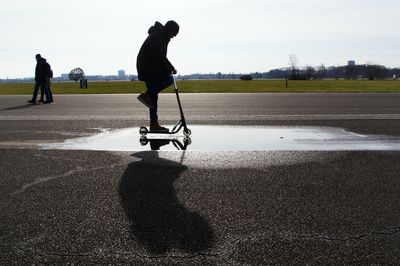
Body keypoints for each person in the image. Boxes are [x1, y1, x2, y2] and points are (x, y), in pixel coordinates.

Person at [136, 20, 179, 132]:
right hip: (147, 66)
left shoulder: (162, 36)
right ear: (170, 30)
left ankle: (154, 124)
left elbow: (162, 57)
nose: (173, 37)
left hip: (150, 66)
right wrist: (168, 70)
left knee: (153, 97)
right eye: (173, 34)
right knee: (168, 79)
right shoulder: (158, 36)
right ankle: (146, 95)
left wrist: (172, 67)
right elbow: (158, 57)